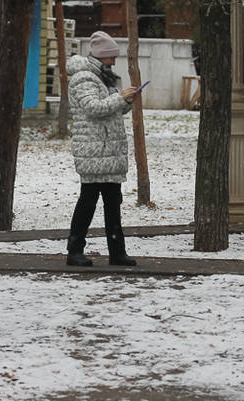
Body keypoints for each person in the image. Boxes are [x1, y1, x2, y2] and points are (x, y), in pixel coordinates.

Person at [64, 31, 139, 267]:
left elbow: (110, 109)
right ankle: (75, 251)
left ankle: (117, 252)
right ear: (100, 57)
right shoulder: (84, 78)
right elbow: (93, 108)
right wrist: (120, 99)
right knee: (87, 202)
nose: (114, 62)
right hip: (94, 151)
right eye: (110, 57)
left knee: (113, 203)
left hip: (107, 151)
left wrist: (126, 101)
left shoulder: (102, 78)